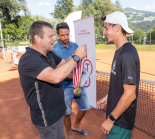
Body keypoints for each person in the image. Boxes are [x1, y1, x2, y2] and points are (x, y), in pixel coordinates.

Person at [18, 21, 87, 139]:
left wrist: (79, 70)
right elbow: (55, 77)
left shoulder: (49, 54)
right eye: (50, 36)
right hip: (48, 119)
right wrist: (76, 57)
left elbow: (65, 65)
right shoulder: (29, 59)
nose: (54, 39)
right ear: (37, 38)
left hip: (57, 113)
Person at [97, 11, 140, 139]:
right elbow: (120, 86)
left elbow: (130, 94)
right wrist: (107, 97)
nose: (104, 32)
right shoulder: (120, 51)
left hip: (119, 122)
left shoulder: (127, 54)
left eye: (106, 28)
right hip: (117, 119)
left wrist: (110, 119)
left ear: (117, 27)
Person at [52, 22, 90, 139]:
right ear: (58, 34)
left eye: (67, 34)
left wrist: (81, 73)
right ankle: (69, 135)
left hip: (78, 84)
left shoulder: (75, 46)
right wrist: (75, 75)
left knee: (85, 107)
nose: (65, 37)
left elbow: (80, 62)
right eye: (62, 35)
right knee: (67, 112)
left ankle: (76, 126)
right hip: (64, 86)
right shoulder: (54, 49)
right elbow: (59, 70)